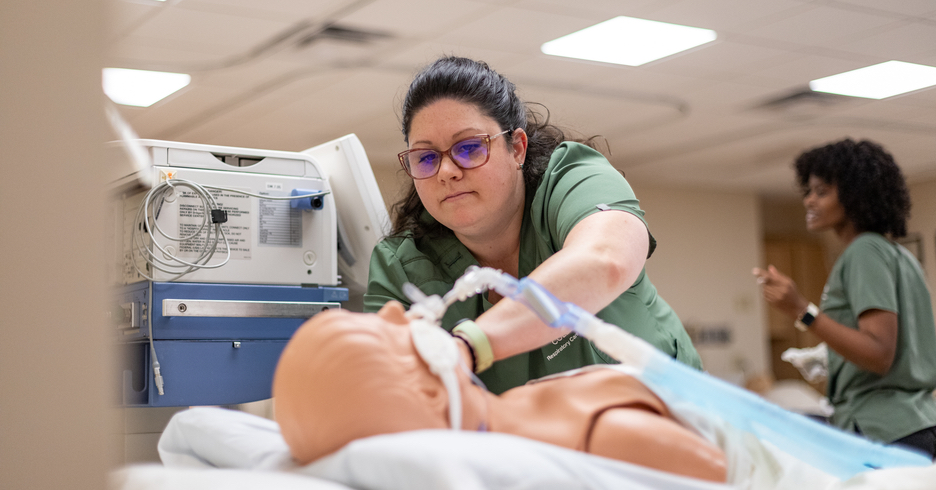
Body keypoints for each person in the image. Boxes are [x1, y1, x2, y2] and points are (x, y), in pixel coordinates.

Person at [364, 56, 701, 394]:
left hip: (672, 422)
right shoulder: (403, 264)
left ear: (518, 149)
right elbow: (388, 393)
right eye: (426, 157)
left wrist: (468, 347)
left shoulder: (572, 180)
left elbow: (605, 261)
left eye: (469, 148)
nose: (447, 171)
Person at [272, 303, 728, 482]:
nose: (394, 309)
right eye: (387, 331)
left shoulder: (517, 407)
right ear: (432, 397)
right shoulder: (601, 436)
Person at [754, 138, 936, 459]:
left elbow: (879, 353)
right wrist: (832, 359)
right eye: (808, 191)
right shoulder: (897, 254)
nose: (809, 201)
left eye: (822, 192)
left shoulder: (863, 252)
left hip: (885, 429)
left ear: (856, 195)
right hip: (916, 422)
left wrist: (801, 310)